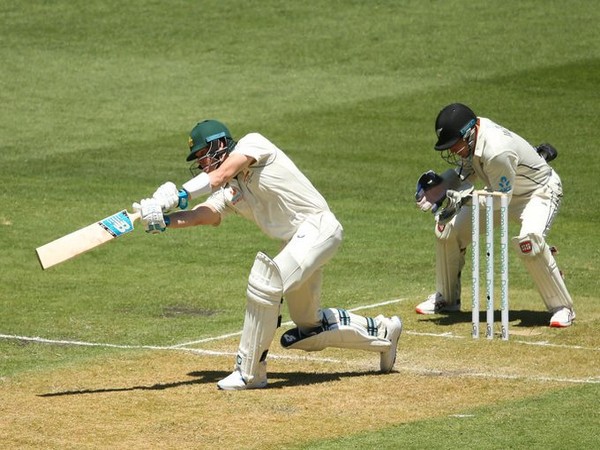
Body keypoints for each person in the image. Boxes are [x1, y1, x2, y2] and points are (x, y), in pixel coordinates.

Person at [134, 119, 403, 390]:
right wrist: (164, 220)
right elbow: (205, 215)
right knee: (309, 327)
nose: (202, 164)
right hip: (296, 243)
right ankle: (383, 331)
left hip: (319, 227)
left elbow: (219, 175)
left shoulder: (253, 144)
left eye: (203, 156)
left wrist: (179, 194)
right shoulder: (231, 190)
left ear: (218, 145)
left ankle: (250, 373)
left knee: (266, 282)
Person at [414, 103, 575, 328]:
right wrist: (441, 186)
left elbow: (500, 200)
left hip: (537, 194)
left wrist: (461, 199)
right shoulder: (472, 139)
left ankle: (563, 308)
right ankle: (447, 299)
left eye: (454, 145)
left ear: (469, 134)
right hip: (502, 192)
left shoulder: (497, 150)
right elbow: (467, 173)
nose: (452, 151)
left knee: (529, 242)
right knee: (447, 230)